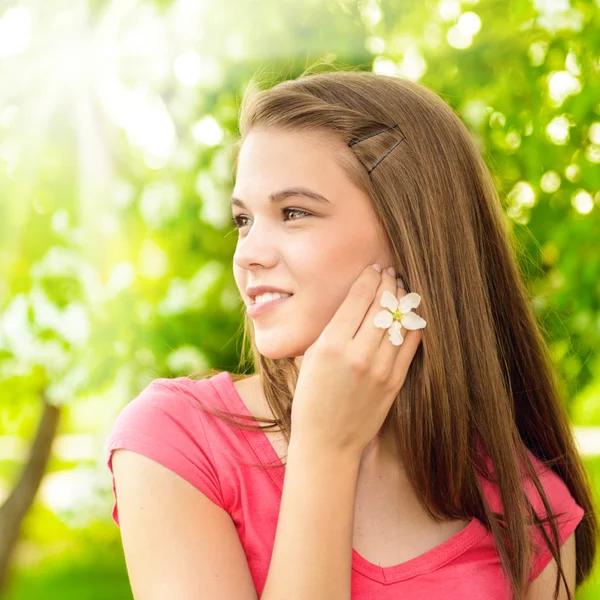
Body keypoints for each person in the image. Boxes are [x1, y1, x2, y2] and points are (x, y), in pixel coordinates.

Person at [106, 70, 597, 600]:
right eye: (244, 219)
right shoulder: (176, 443)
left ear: (411, 236)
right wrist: (325, 450)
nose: (247, 253)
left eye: (294, 213)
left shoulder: (525, 504)